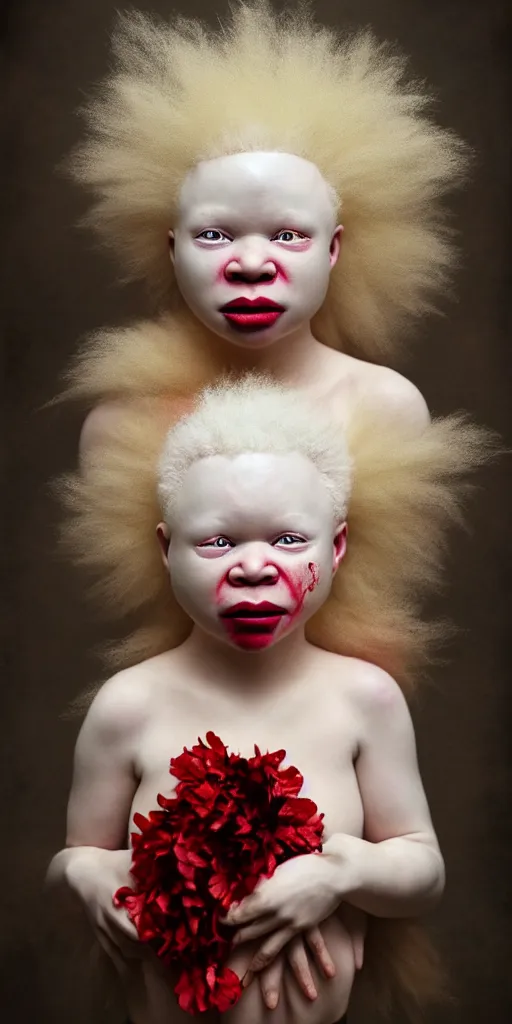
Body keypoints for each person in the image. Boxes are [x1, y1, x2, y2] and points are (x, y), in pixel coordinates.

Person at [48, 377, 445, 1024]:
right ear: (165, 549)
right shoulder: (127, 707)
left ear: (337, 547)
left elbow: (422, 869)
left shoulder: (365, 699)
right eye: (217, 542)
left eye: (289, 541)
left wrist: (337, 875)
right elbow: (73, 862)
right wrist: (81, 875)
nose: (254, 567)